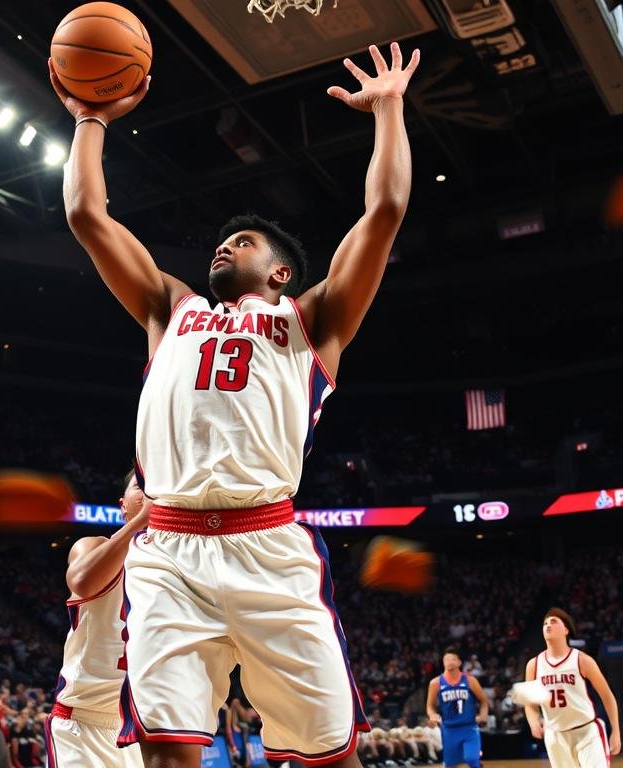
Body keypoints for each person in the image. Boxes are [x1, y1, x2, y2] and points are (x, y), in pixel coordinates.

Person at [51, 36, 420, 768]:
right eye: (221, 240)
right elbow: (87, 216)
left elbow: (386, 209)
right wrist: (89, 117)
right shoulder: (170, 307)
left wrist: (387, 111)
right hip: (170, 552)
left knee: (329, 758)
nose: (224, 246)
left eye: (242, 241)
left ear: (280, 271)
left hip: (268, 545)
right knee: (167, 754)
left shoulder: (312, 321)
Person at [46, 472, 149, 768]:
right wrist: (140, 522)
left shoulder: (175, 565)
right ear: (123, 505)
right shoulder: (91, 545)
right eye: (140, 486)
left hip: (136, 725)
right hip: (82, 723)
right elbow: (82, 581)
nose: (151, 492)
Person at [522, 609, 621, 768]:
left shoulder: (582, 660)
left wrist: (616, 731)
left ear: (566, 630)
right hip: (556, 736)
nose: (548, 625)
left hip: (586, 732)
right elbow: (529, 704)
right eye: (545, 623)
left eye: (554, 622)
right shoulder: (533, 665)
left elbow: (607, 696)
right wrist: (533, 722)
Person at [426, 648, 489, 768]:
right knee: (450, 764)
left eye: (453, 659)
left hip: (469, 727)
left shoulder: (470, 680)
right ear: (443, 662)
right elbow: (430, 706)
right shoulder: (435, 683)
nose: (450, 661)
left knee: (471, 759)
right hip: (449, 729)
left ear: (460, 662)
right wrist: (432, 715)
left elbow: (484, 701)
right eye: (447, 659)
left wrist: (483, 715)